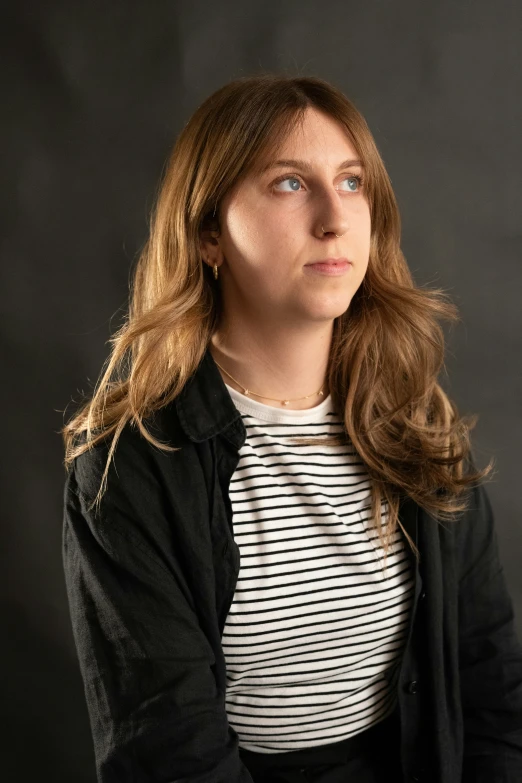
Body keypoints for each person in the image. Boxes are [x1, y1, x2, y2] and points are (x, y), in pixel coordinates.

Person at [61, 73, 522, 783]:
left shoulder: (415, 419)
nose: (335, 218)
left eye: (352, 182)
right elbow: (169, 748)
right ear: (209, 233)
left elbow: (491, 681)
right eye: (288, 184)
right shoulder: (132, 464)